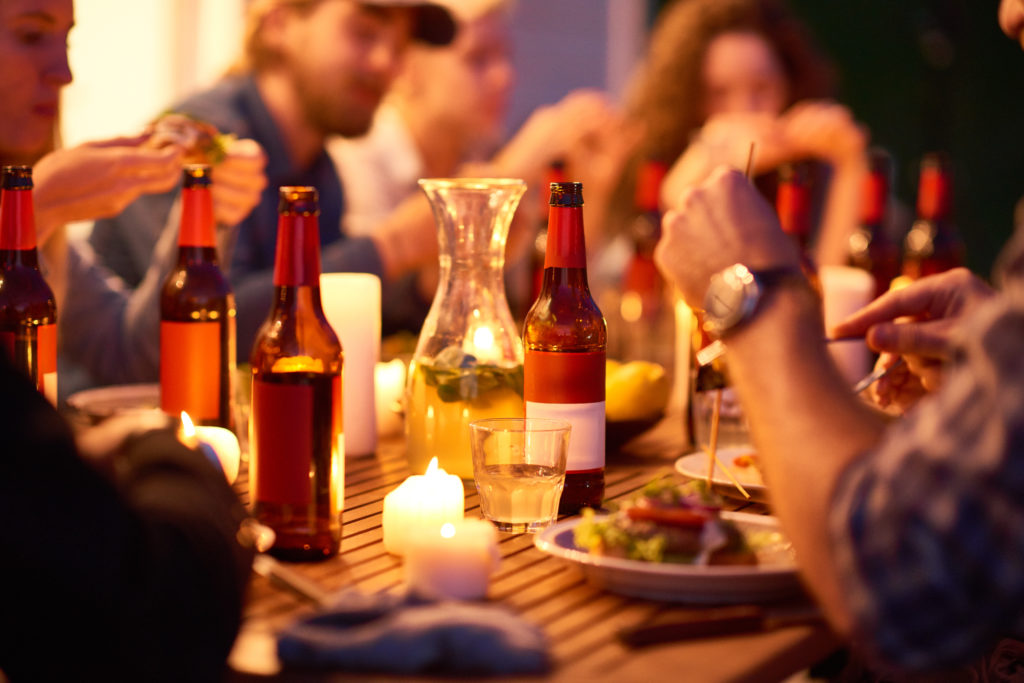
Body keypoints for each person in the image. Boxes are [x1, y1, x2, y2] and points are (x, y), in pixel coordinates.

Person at [653, 0, 1024, 672]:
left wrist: (748, 290)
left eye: (762, 89)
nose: (1009, 13)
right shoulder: (669, 166)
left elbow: (906, 584)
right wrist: (1001, 347)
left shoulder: (819, 179)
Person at [0, 2, 254, 680]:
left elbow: (129, 351)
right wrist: (29, 211)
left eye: (67, 39)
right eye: (31, 37)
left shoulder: (25, 192)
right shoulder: (25, 199)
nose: (65, 72)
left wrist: (202, 216)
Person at [86, 0, 459, 367]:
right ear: (279, 23)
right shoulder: (197, 141)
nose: (386, 63)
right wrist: (396, 245)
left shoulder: (321, 171)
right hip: (98, 414)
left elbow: (325, 316)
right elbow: (213, 323)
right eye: (364, 33)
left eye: (399, 47)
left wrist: (425, 284)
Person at [330, 0, 630, 312]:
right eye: (478, 58)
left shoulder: (477, 151)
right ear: (407, 68)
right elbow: (365, 301)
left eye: (505, 57)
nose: (504, 76)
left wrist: (591, 197)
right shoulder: (359, 155)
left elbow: (531, 302)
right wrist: (510, 171)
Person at [624, 0, 867, 268]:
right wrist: (700, 164)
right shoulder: (647, 170)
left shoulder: (819, 172)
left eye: (761, 88)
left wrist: (851, 166)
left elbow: (829, 297)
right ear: (686, 100)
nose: (745, 111)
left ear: (792, 86)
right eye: (719, 93)